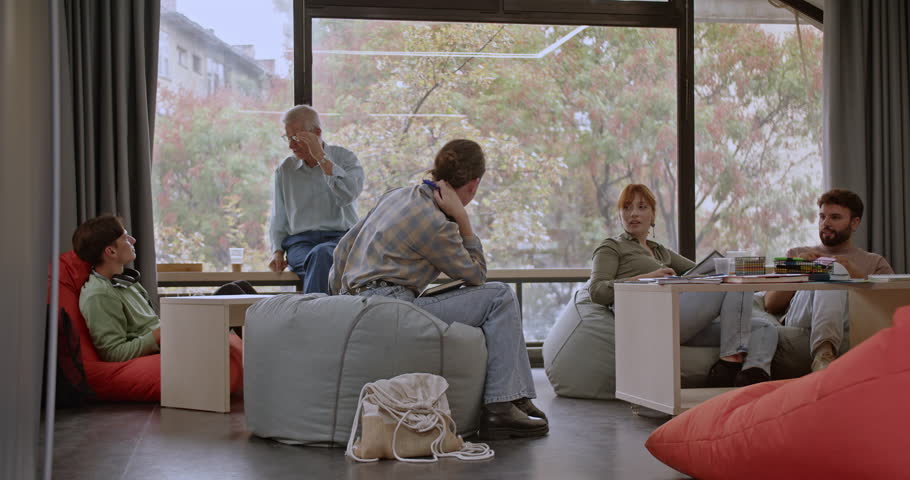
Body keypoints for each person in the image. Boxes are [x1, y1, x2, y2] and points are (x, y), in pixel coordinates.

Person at [328, 139, 548, 440]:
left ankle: (517, 397)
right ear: (473, 184)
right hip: (393, 310)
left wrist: (341, 301)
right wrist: (464, 221)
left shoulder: (397, 195)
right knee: (500, 296)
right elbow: (476, 275)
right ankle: (499, 406)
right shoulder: (438, 223)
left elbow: (342, 250)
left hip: (356, 305)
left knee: (487, 296)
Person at [589, 184, 778, 387]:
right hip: (652, 321)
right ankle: (729, 362)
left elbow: (702, 271)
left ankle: (750, 379)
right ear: (619, 215)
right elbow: (597, 291)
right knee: (726, 278)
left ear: (653, 216)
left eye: (642, 207)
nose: (633, 213)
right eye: (626, 208)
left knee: (764, 328)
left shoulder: (661, 251)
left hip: (680, 319)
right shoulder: (611, 247)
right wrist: (648, 277)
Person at [74, 215, 248, 362]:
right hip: (165, 345)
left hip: (171, 335)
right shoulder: (99, 294)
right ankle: (266, 358)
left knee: (238, 287)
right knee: (233, 292)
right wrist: (159, 334)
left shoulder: (125, 281)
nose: (133, 240)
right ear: (111, 252)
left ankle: (265, 357)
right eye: (126, 238)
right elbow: (113, 353)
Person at [764, 188, 894, 371]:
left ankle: (824, 357)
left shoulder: (874, 262)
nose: (825, 223)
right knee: (832, 272)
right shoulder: (797, 254)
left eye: (835, 217)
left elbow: (889, 310)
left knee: (836, 270)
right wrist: (800, 270)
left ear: (855, 223)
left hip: (849, 323)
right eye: (822, 216)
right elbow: (770, 304)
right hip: (802, 322)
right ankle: (824, 354)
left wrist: (855, 275)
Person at [268, 105, 365, 294]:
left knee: (322, 256)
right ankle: (323, 318)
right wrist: (277, 249)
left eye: (296, 138)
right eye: (288, 138)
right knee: (321, 262)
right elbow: (279, 214)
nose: (291, 145)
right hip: (300, 243)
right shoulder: (285, 169)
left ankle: (311, 318)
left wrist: (321, 158)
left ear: (317, 133)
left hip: (341, 239)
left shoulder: (345, 159)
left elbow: (348, 194)